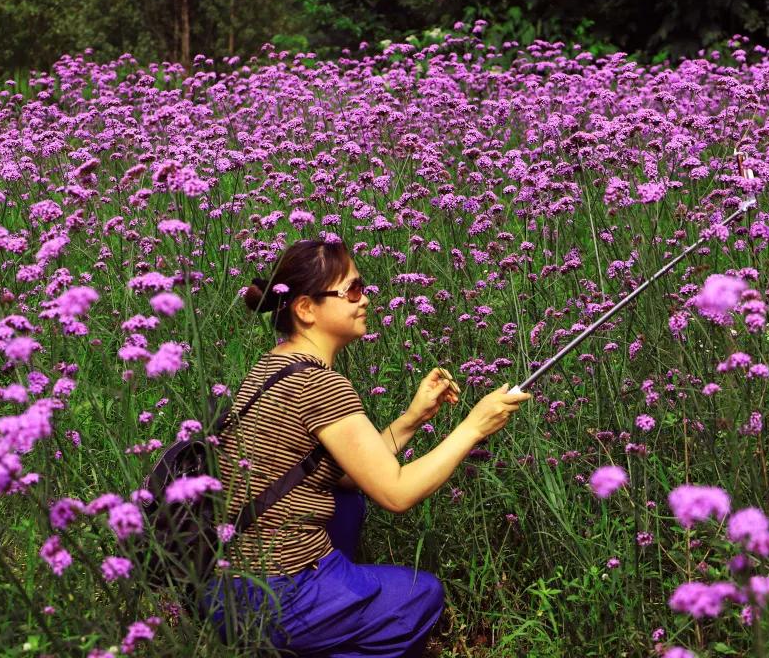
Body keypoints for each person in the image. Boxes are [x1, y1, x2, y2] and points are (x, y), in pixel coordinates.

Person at [201, 238, 532, 657]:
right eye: (352, 290)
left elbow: (345, 471)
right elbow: (396, 493)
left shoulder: (272, 366)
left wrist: (413, 419)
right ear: (305, 308)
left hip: (225, 588)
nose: (365, 300)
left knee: (347, 498)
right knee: (419, 595)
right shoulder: (320, 383)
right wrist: (472, 427)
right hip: (277, 593)